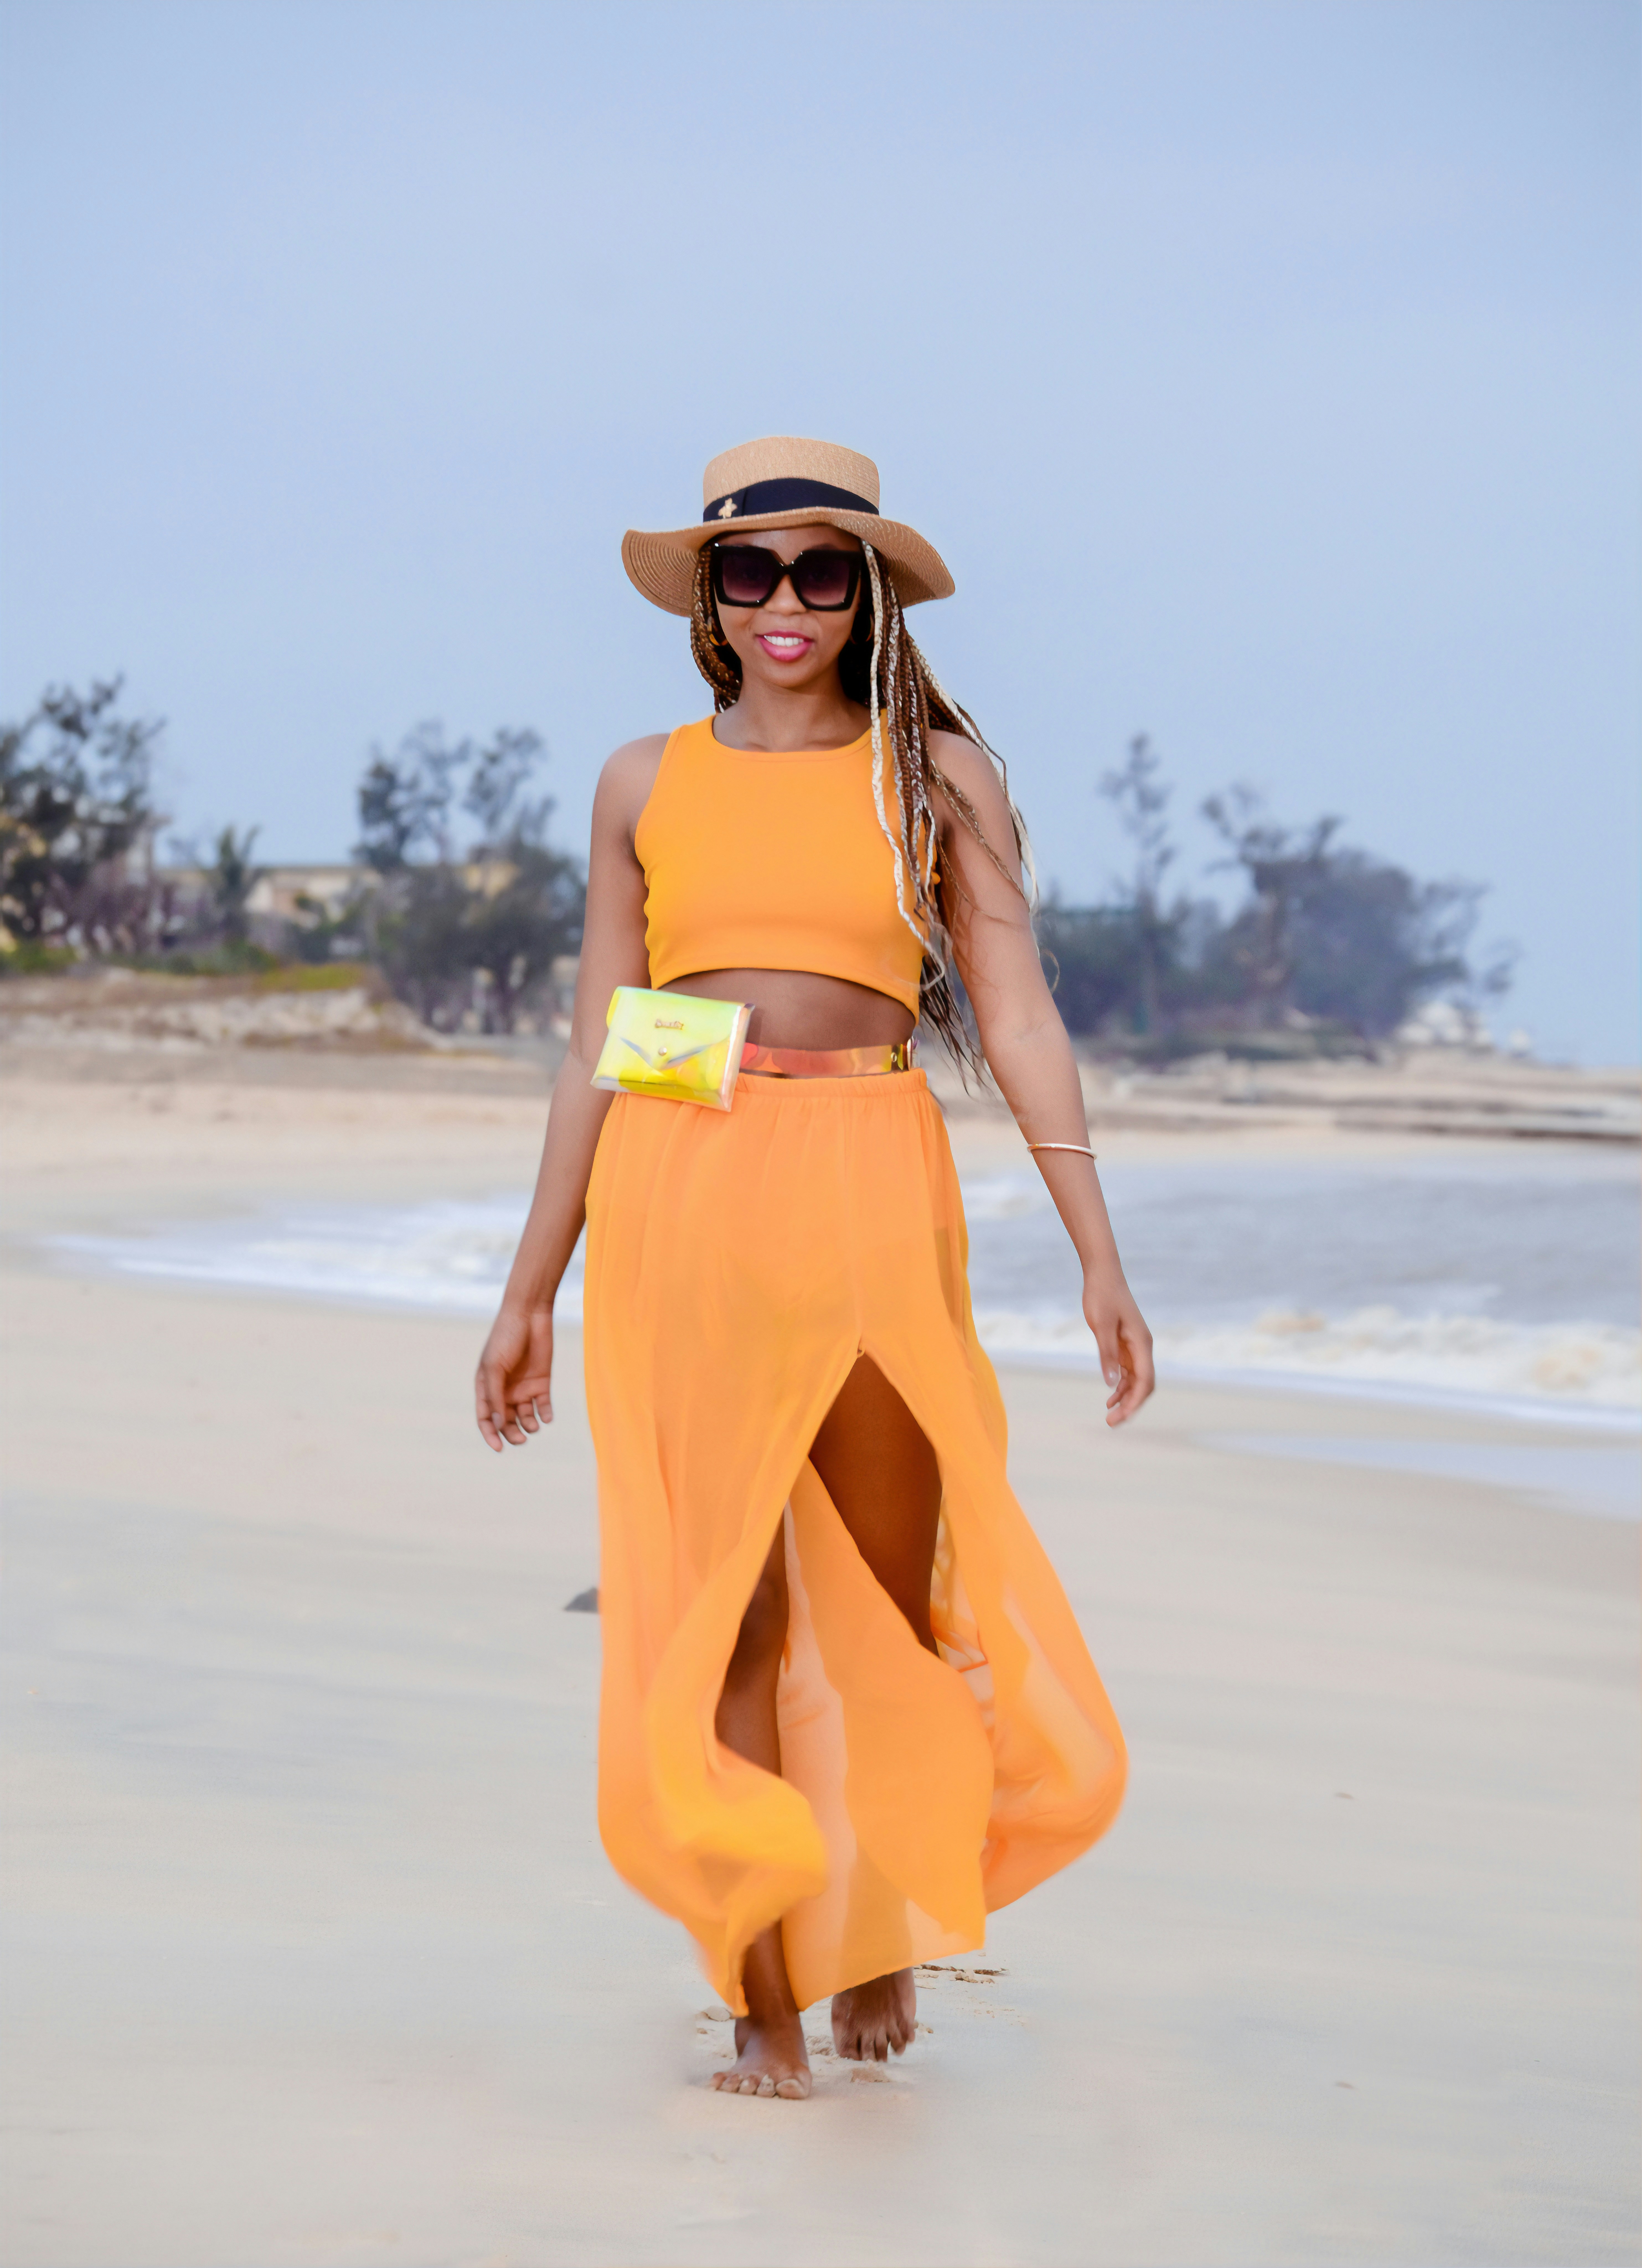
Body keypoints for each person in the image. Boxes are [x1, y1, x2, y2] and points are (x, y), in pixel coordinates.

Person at [475, 436, 1153, 2101]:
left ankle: (883, 1922)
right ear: (707, 598)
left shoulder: (934, 776)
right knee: (729, 1607)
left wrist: (1100, 1255)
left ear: (870, 595)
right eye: (750, 569)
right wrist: (529, 1287)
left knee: (889, 1597)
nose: (786, 600)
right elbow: (608, 1047)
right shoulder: (642, 781)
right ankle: (766, 1989)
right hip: (686, 1185)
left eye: (822, 569)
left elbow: (1020, 1017)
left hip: (871, 1178)